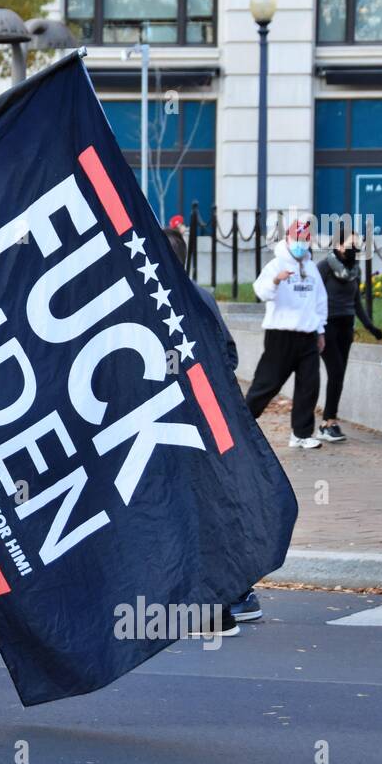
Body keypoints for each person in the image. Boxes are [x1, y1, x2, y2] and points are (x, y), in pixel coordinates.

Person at [163, 228, 256, 629]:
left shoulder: (153, 301)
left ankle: (221, 600)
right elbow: (228, 355)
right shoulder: (202, 297)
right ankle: (238, 593)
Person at [244, 219, 329, 449]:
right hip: (280, 334)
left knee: (309, 385)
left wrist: (320, 331)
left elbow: (320, 301)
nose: (300, 244)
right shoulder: (276, 264)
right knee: (267, 383)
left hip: (308, 335)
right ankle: (242, 422)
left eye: (305, 240)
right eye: (296, 239)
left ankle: (301, 433)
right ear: (288, 239)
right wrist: (276, 280)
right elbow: (261, 291)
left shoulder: (311, 268)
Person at [316, 231, 382, 442]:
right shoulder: (324, 267)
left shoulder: (355, 270)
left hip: (346, 328)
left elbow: (356, 302)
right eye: (351, 244)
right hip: (327, 326)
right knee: (336, 372)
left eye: (357, 245)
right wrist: (315, 329)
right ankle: (328, 423)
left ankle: (328, 422)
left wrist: (370, 327)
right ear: (338, 245)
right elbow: (313, 298)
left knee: (339, 376)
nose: (355, 249)